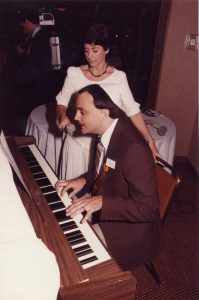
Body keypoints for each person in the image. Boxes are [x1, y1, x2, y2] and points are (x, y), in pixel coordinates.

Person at [55, 84, 161, 270]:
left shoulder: (133, 148)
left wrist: (101, 202)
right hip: (114, 202)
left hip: (134, 229)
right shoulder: (104, 131)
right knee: (61, 225)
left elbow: (148, 208)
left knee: (72, 256)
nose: (76, 117)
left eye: (82, 112)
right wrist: (84, 180)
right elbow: (104, 169)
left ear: (104, 112)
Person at [56, 23, 159, 180]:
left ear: (107, 50)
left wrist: (149, 141)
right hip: (78, 144)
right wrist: (62, 115)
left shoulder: (119, 78)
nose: (89, 55)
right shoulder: (74, 73)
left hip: (106, 148)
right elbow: (61, 102)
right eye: (86, 50)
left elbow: (132, 111)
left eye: (95, 50)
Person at [8, 8, 53, 133]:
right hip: (34, 88)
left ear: (27, 21)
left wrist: (22, 55)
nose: (22, 27)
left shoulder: (41, 38)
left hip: (36, 89)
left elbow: (39, 65)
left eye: (22, 24)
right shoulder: (37, 37)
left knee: (28, 119)